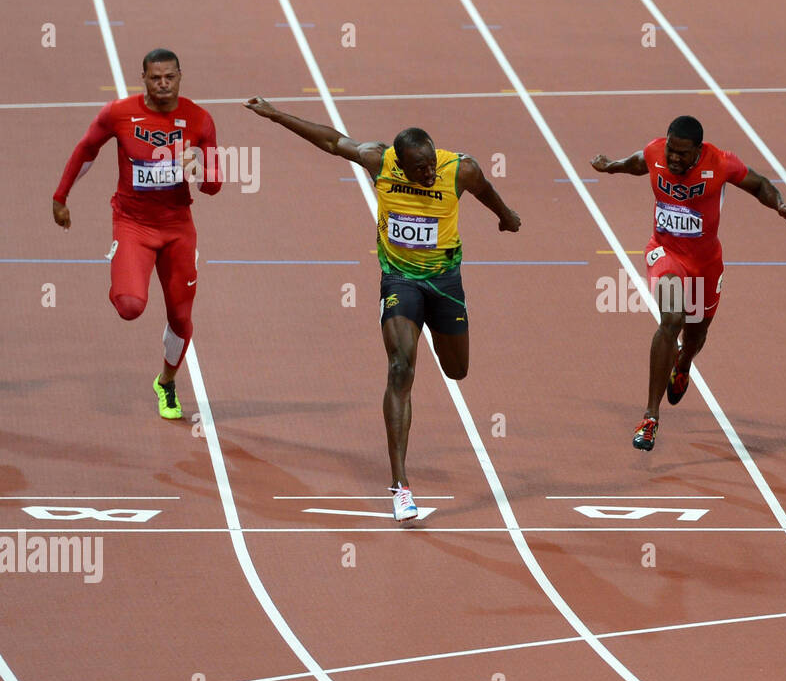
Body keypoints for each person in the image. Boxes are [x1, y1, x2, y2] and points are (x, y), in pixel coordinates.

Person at [245, 98, 520, 522]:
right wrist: (277, 115)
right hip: (400, 281)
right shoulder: (379, 161)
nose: (428, 173)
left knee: (457, 371)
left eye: (430, 164)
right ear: (401, 163)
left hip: (445, 283)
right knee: (399, 369)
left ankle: (430, 336)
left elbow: (485, 191)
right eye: (419, 168)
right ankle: (401, 486)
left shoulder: (459, 168)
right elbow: (333, 141)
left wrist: (506, 217)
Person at [591, 115, 786, 451]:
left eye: (682, 154)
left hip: (706, 262)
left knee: (696, 334)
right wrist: (610, 166)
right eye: (671, 150)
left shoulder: (721, 163)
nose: (674, 158)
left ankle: (683, 363)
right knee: (671, 319)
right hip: (665, 252)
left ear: (698, 151)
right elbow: (637, 163)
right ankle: (650, 417)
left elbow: (759, 184)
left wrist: (780, 205)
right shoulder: (655, 152)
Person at [52, 48, 222, 420]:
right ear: (143, 78)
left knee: (180, 316)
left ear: (180, 76)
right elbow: (86, 149)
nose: (163, 84)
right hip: (132, 224)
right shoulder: (118, 113)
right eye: (155, 77)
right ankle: (122, 267)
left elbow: (214, 186)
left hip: (178, 228)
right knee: (130, 307)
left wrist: (200, 169)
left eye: (170, 77)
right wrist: (60, 196)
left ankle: (166, 381)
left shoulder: (199, 120)